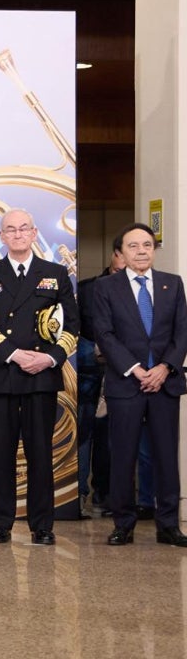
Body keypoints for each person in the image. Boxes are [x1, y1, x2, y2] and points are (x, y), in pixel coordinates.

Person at [0, 208, 78, 545]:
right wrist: (16, 355)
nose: (17, 234)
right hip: (1, 375)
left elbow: (72, 326)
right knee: (1, 453)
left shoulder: (56, 273)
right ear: (1, 237)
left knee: (40, 454)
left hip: (41, 377)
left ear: (34, 233)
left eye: (24, 229)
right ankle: (0, 524)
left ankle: (42, 526)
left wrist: (48, 358)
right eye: (10, 230)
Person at [94, 222, 187, 547]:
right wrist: (135, 369)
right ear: (120, 252)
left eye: (147, 244)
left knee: (166, 455)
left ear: (154, 249)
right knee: (123, 455)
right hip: (125, 384)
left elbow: (181, 333)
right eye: (133, 246)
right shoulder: (106, 287)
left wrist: (164, 367)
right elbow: (104, 335)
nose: (142, 251)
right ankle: (124, 524)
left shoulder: (172, 285)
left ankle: (169, 525)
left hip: (165, 383)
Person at [76, 240, 124, 516]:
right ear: (115, 254)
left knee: (112, 438)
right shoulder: (86, 289)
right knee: (83, 434)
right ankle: (80, 492)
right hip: (87, 374)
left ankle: (104, 495)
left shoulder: (137, 290)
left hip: (121, 374)